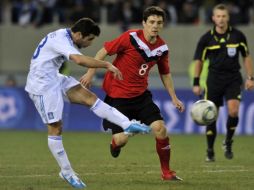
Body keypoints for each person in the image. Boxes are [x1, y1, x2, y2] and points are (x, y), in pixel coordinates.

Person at [25, 18, 151, 188]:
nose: (90, 43)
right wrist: (107, 64)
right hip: (42, 85)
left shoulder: (65, 35)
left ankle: (127, 124)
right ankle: (67, 172)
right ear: (78, 34)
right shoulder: (62, 39)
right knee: (55, 127)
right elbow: (80, 60)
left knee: (90, 98)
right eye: (89, 39)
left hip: (53, 77)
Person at [81, 7, 185, 181]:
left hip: (141, 96)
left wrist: (173, 97)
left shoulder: (162, 48)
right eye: (151, 22)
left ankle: (166, 172)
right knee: (121, 140)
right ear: (144, 23)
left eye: (159, 23)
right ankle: (116, 143)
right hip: (118, 97)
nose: (155, 26)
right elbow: (103, 51)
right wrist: (91, 73)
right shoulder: (130, 37)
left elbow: (165, 73)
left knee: (160, 129)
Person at [192, 4, 254, 162]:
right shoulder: (206, 38)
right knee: (211, 116)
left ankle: (228, 142)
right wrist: (196, 82)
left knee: (233, 111)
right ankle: (210, 150)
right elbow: (198, 61)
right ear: (213, 18)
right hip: (213, 80)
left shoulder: (238, 36)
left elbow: (246, 57)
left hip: (233, 79)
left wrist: (250, 77)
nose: (221, 19)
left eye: (223, 16)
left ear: (228, 17)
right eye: (218, 16)